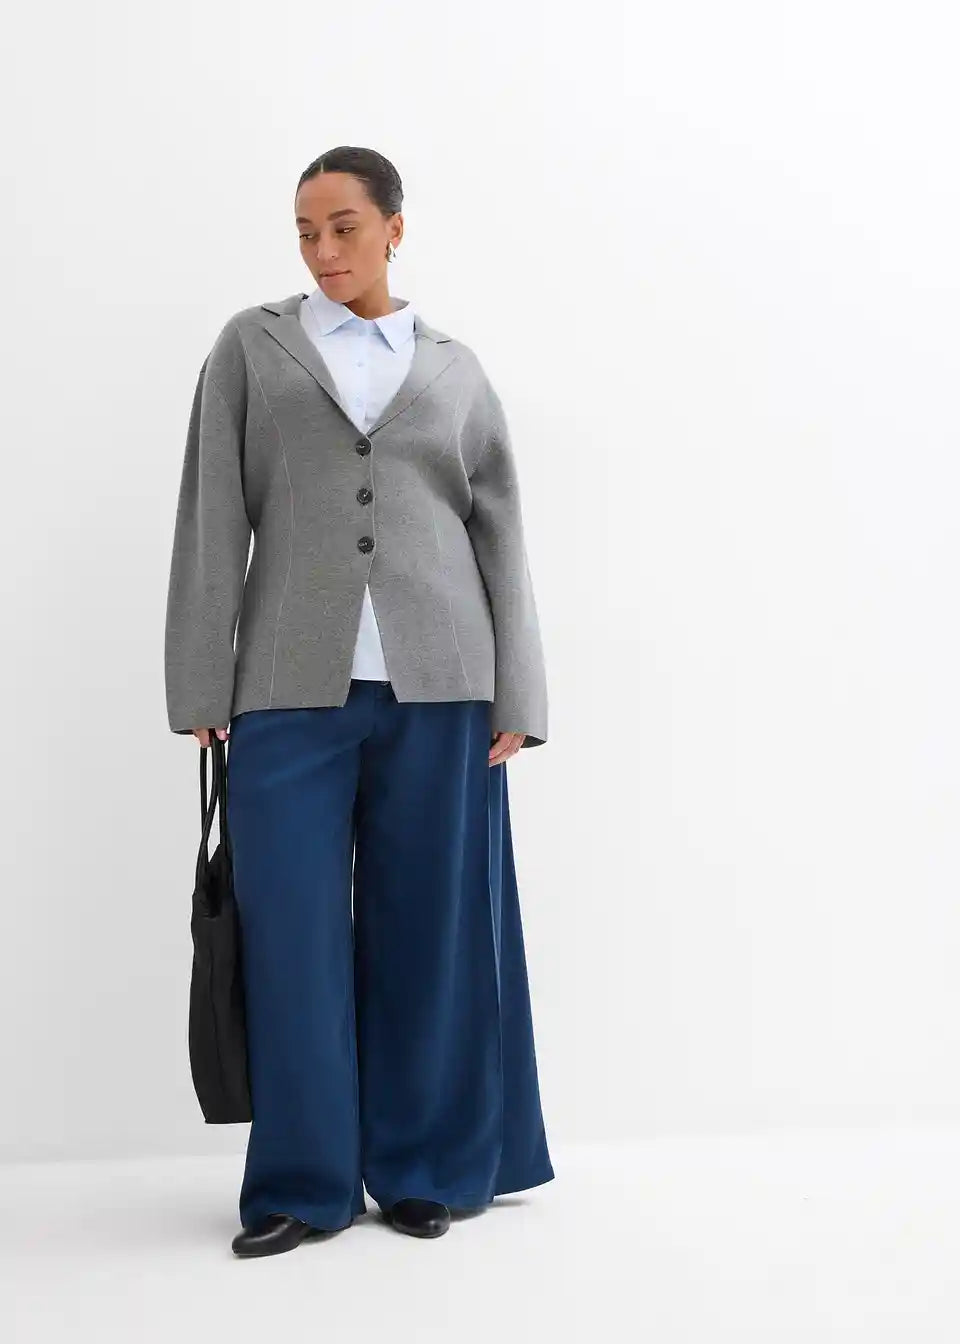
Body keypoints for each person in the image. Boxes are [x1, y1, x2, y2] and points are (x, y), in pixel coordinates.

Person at [164, 145, 554, 1259]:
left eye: (343, 227)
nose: (322, 250)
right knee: (290, 939)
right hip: (285, 691)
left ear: (394, 228)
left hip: (445, 688)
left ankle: (423, 1168)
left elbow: (500, 533)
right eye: (305, 231)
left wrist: (519, 694)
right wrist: (200, 680)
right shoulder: (253, 347)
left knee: (428, 931)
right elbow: (211, 515)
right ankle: (303, 1184)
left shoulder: (455, 369)